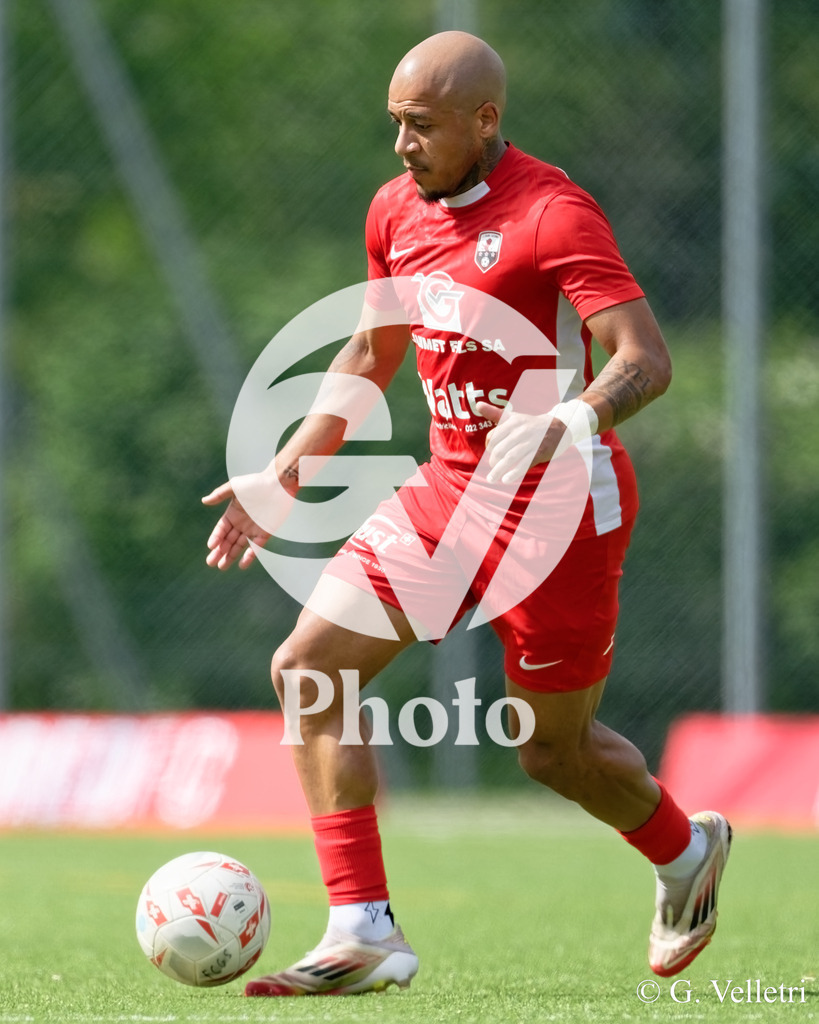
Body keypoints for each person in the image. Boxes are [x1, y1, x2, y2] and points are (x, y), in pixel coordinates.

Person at [202, 31, 731, 996]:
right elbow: (370, 352)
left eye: (422, 126)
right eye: (394, 125)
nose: (402, 145)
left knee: (553, 753)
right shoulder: (394, 208)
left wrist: (572, 418)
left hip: (560, 516)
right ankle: (363, 929)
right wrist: (281, 473)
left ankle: (682, 849)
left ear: (485, 120)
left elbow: (643, 357)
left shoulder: (553, 212)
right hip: (447, 496)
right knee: (308, 669)